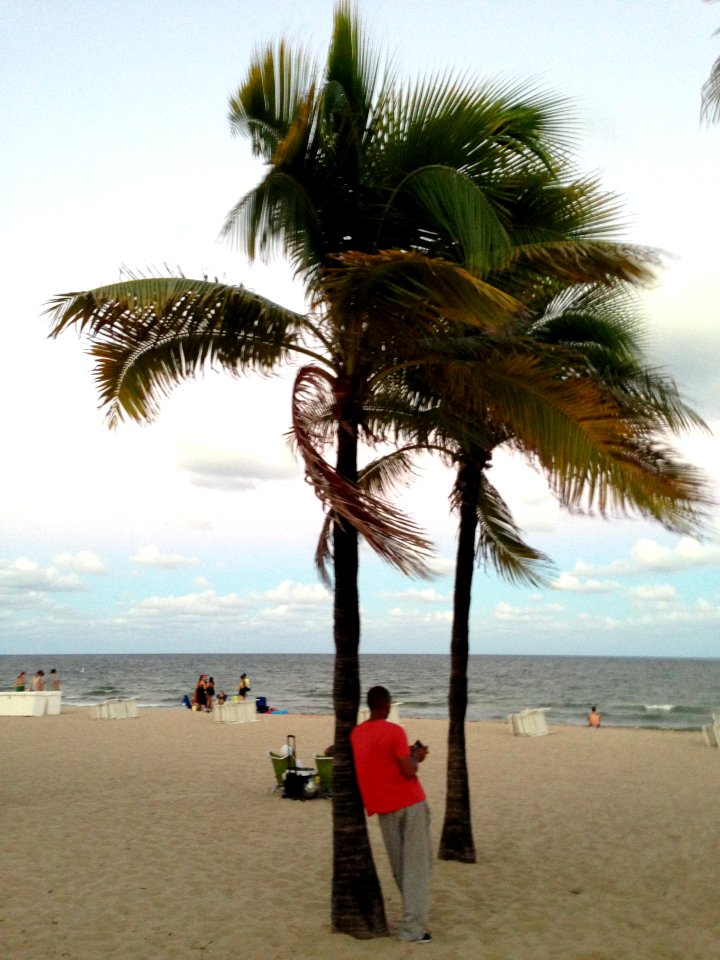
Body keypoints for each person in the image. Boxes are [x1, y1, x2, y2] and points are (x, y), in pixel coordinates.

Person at [351, 685, 433, 943]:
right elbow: (408, 771)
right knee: (418, 867)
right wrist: (417, 756)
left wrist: (406, 754)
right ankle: (412, 930)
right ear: (386, 705)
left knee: (400, 867)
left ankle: (412, 920)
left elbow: (381, 760)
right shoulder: (395, 731)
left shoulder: (357, 733)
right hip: (409, 803)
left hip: (383, 808)